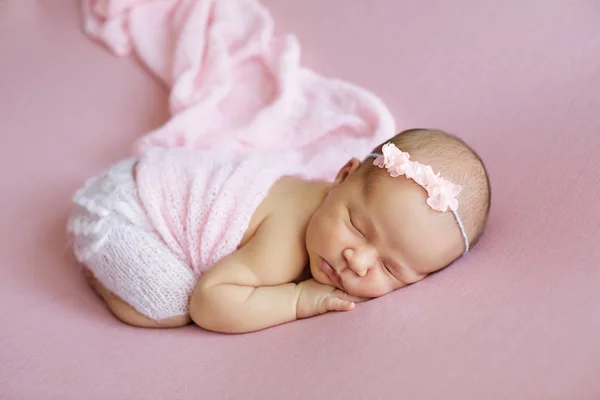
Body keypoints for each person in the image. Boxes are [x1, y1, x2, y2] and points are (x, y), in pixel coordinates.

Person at [68, 128, 491, 333]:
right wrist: (297, 299)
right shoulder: (285, 242)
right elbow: (209, 303)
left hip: (150, 176)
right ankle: (103, 280)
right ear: (341, 176)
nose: (357, 261)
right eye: (356, 227)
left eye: (392, 269)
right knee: (173, 305)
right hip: (118, 213)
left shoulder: (330, 208)